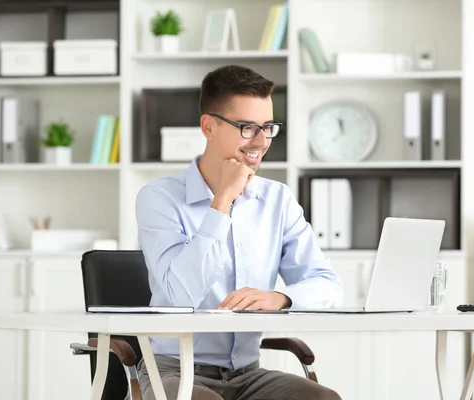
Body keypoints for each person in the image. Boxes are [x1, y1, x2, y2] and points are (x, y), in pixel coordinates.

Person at [135, 64, 343, 400]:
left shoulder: (277, 199)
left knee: (322, 398)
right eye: (247, 127)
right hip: (175, 369)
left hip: (249, 375)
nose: (261, 141)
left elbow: (328, 285)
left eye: (268, 127)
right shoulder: (159, 198)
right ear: (209, 127)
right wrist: (223, 202)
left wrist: (281, 298)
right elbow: (179, 297)